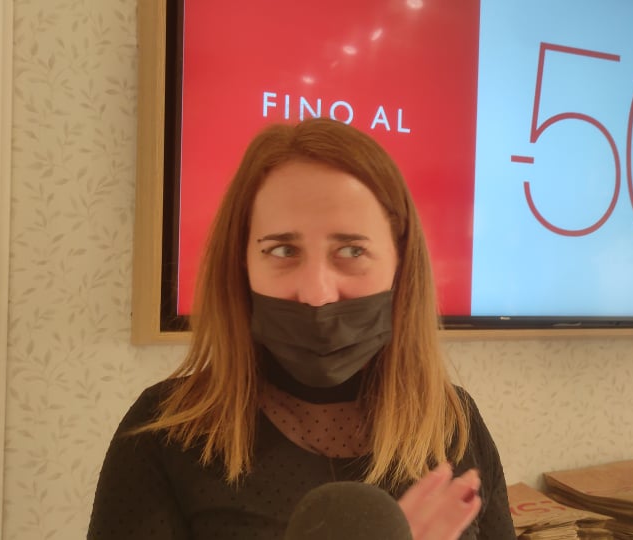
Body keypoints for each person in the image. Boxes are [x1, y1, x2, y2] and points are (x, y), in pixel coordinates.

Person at [88, 118, 516, 539]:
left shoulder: (455, 423)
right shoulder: (163, 433)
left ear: (400, 264)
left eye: (352, 250)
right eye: (283, 250)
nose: (317, 294)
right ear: (242, 263)